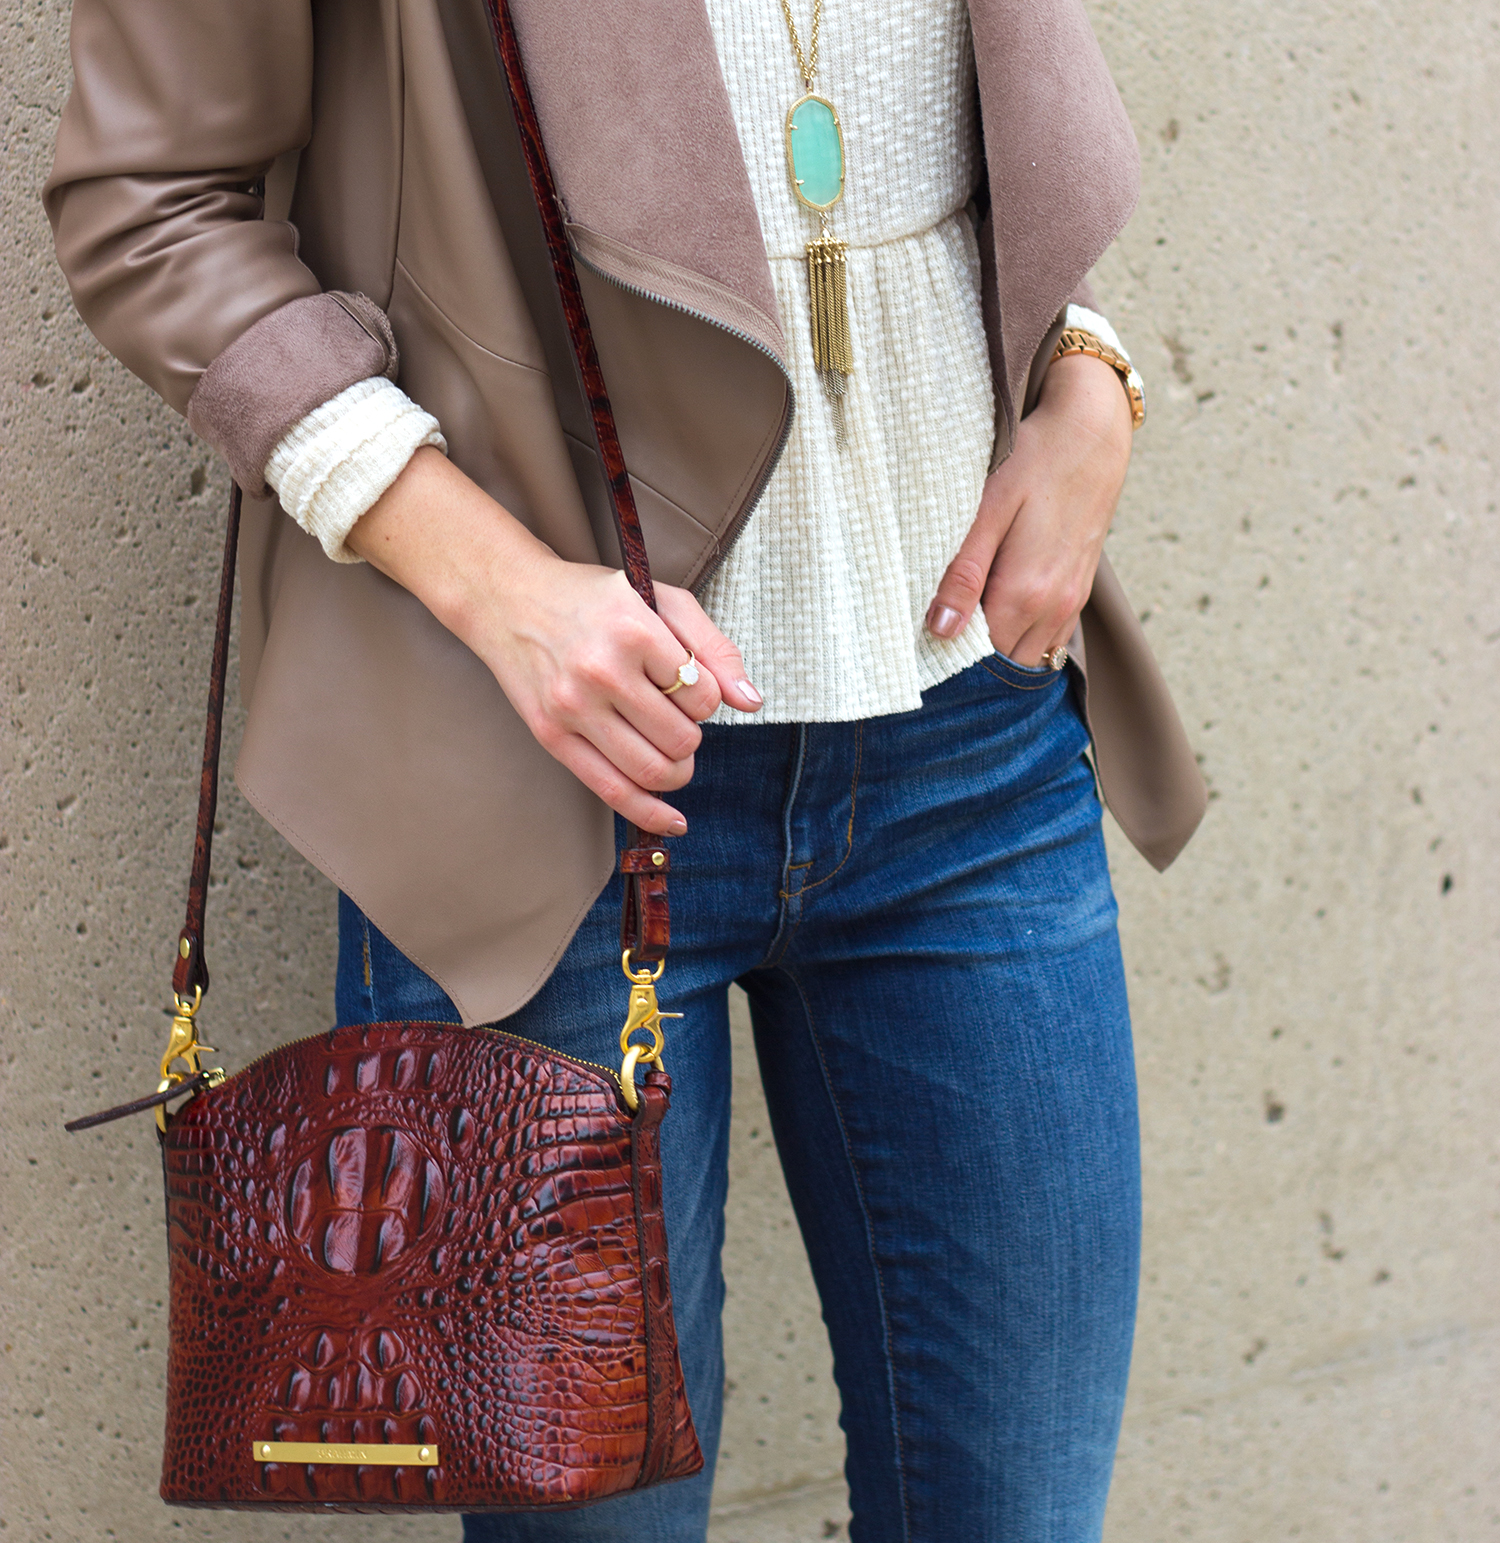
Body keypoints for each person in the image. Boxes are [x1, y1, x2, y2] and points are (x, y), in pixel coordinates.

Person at [45, 0, 1206, 1537]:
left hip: (970, 744)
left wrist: (1086, 371)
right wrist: (495, 586)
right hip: (540, 791)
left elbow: (916, 141)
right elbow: (150, 205)